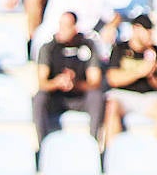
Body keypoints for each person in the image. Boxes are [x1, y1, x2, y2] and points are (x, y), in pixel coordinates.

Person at [32, 12, 104, 144]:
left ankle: (94, 143)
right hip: (56, 98)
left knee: (97, 96)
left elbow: (95, 82)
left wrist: (75, 84)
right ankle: (41, 145)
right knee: (39, 97)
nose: (61, 30)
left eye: (66, 26)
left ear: (75, 27)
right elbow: (42, 83)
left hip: (80, 98)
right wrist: (58, 82)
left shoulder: (88, 46)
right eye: (60, 25)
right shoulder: (48, 48)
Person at [102, 14, 157, 146]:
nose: (150, 34)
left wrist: (152, 74)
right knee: (111, 107)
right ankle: (112, 153)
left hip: (148, 97)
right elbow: (113, 79)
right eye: (147, 30)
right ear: (136, 29)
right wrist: (140, 72)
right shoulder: (120, 49)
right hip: (123, 95)